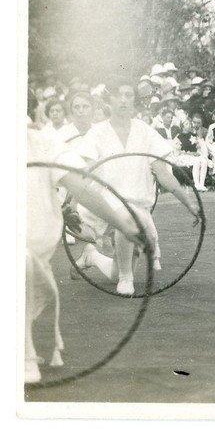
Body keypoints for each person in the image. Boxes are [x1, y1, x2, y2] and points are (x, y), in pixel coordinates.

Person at [25, 120, 146, 383]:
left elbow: (78, 186)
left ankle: (28, 350)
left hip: (38, 239)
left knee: (36, 289)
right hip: (29, 239)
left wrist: (123, 225)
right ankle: (25, 353)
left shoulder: (45, 141)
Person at [74, 76, 200, 296]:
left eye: (128, 95)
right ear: (109, 100)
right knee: (126, 217)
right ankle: (126, 278)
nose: (123, 100)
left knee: (116, 269)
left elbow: (164, 174)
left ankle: (92, 257)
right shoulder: (98, 132)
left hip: (137, 203)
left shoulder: (145, 131)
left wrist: (189, 203)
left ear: (134, 100)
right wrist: (70, 202)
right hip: (105, 201)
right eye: (118, 95)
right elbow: (87, 173)